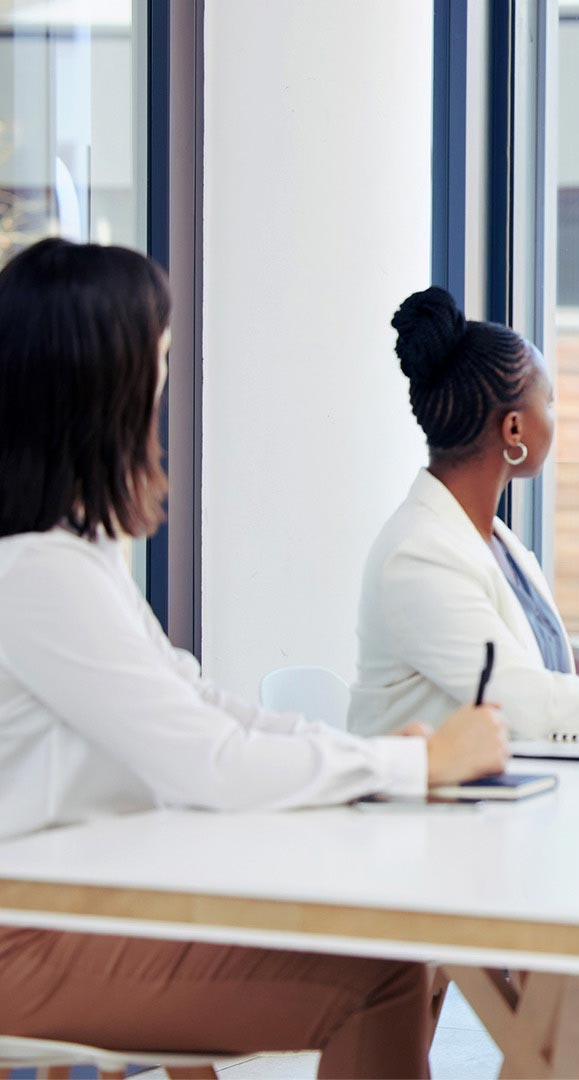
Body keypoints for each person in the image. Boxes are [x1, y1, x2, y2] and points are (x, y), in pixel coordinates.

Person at [0, 238, 509, 1078]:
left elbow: (205, 711)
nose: (164, 388)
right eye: (159, 360)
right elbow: (209, 763)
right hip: (30, 939)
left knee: (391, 957)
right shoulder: (40, 576)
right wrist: (411, 767)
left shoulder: (70, 555)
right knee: (380, 976)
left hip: (83, 907)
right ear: (105, 384)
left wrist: (398, 758)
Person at [348, 286, 579, 739]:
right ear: (513, 428)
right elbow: (522, 708)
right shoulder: (418, 557)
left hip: (505, 793)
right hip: (429, 805)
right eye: (547, 402)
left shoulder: (492, 542)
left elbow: (535, 684)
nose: (554, 415)